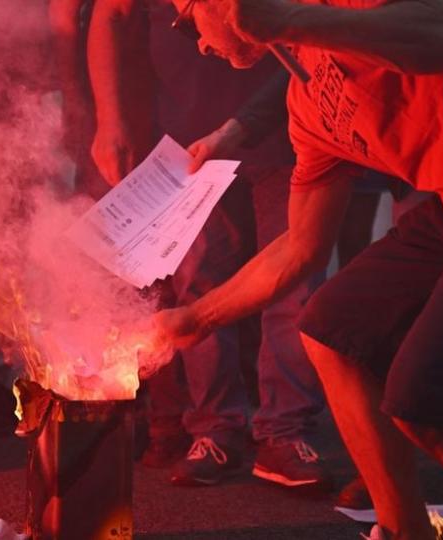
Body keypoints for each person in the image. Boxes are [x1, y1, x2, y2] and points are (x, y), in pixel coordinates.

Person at [153, 1, 443, 538]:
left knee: (433, 402)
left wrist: (285, 20)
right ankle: (401, 528)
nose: (200, 43)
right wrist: (197, 319)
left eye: (188, 21)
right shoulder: (307, 102)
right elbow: (301, 247)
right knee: (331, 327)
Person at [90, 0, 331, 488]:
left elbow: (318, 41)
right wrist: (110, 119)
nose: (197, 41)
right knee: (198, 279)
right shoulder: (196, 41)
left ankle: (285, 432)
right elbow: (110, 14)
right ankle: (216, 429)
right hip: (190, 131)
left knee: (293, 285)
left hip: (291, 131)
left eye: (187, 21)